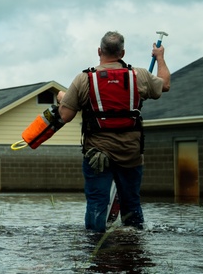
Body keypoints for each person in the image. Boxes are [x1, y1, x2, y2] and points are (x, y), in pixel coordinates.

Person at [54, 31, 170, 232]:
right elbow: (165, 84)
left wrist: (62, 98)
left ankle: (94, 251)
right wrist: (160, 57)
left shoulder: (84, 79)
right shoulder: (139, 75)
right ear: (122, 53)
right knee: (131, 203)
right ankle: (132, 247)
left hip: (97, 154)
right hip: (130, 153)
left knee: (97, 203)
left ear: (99, 51)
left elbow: (65, 116)